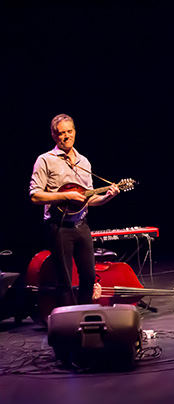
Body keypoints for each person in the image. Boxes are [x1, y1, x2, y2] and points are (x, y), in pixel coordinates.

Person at [30, 114, 121, 307]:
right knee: (64, 283)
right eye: (61, 133)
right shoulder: (45, 160)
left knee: (89, 278)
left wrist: (107, 197)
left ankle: (84, 318)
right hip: (59, 227)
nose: (66, 136)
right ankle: (68, 326)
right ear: (54, 136)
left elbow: (89, 200)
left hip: (81, 226)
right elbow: (35, 196)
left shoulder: (84, 162)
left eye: (69, 132)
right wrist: (65, 196)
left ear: (74, 132)